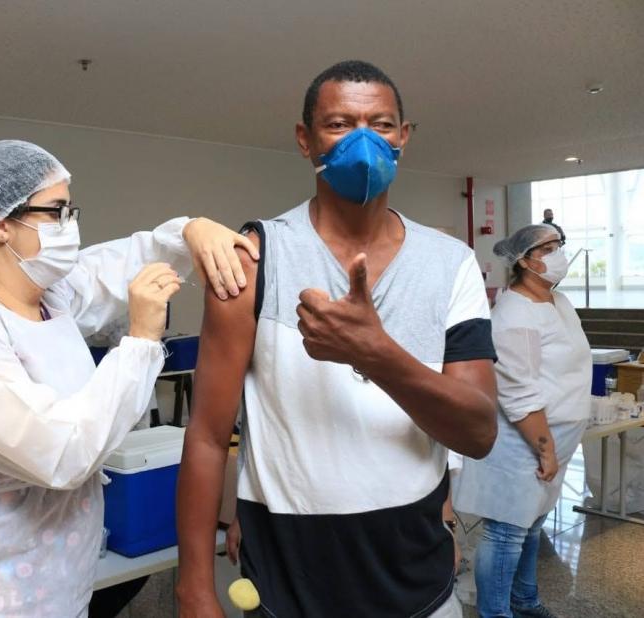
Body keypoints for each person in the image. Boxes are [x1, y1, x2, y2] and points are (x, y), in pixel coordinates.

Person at [176, 60, 498, 618]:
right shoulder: (255, 260)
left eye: (380, 123)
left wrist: (376, 353)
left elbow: (478, 431)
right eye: (340, 124)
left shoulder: (452, 265)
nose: (364, 141)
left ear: (403, 137)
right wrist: (194, 588)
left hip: (415, 575)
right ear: (305, 140)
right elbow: (206, 436)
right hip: (289, 580)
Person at [0, 140, 259, 617]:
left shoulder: (48, 297)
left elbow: (114, 266)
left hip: (64, 578)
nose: (71, 227)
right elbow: (62, 452)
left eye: (71, 210)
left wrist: (189, 230)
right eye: (56, 212)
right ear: (0, 224)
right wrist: (143, 340)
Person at [454, 225, 589, 618]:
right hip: (524, 440)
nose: (558, 254)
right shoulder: (514, 313)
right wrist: (543, 448)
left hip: (556, 436)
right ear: (525, 261)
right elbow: (518, 391)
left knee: (531, 525)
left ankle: (524, 600)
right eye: (547, 248)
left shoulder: (557, 301)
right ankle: (496, 612)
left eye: (558, 245)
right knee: (507, 531)